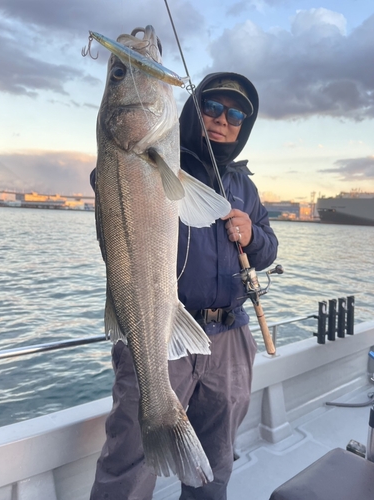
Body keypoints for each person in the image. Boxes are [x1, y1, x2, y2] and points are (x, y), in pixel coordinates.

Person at [90, 72, 278, 500]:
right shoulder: (162, 160)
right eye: (211, 106)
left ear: (243, 127)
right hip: (155, 333)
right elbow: (110, 187)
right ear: (193, 108)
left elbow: (268, 250)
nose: (221, 119)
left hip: (230, 338)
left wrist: (252, 235)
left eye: (235, 114)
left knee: (217, 459)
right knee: (129, 460)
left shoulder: (243, 186)